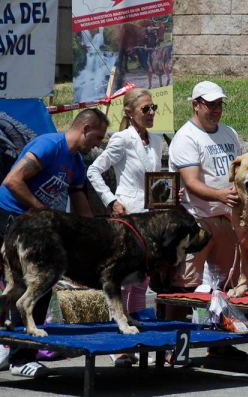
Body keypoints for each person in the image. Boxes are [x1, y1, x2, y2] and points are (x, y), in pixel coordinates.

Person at [0, 108, 108, 378]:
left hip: (36, 223)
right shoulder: (49, 145)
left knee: (43, 281)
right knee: (33, 281)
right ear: (85, 128)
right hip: (9, 216)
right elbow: (12, 181)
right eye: (98, 137)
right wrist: (44, 212)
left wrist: (96, 234)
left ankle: (18, 342)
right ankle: (20, 359)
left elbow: (81, 203)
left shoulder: (77, 163)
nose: (98, 143)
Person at [167, 80, 246, 360]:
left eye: (219, 104)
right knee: (184, 287)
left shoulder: (229, 133)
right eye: (210, 105)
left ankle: (219, 342)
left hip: (226, 217)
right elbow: (190, 183)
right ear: (195, 105)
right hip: (196, 220)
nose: (216, 110)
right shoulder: (187, 137)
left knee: (224, 285)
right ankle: (172, 346)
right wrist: (222, 195)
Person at [87, 88, 162, 367]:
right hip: (127, 216)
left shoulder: (156, 140)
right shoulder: (122, 139)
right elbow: (93, 170)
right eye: (146, 109)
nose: (152, 113)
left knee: (142, 279)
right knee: (121, 278)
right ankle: (117, 343)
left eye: (153, 108)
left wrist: (169, 195)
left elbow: (156, 178)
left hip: (149, 218)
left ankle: (139, 339)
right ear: (130, 113)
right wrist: (111, 201)